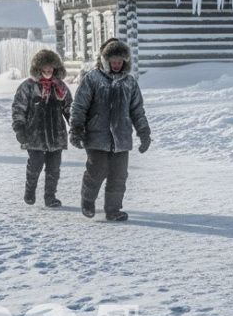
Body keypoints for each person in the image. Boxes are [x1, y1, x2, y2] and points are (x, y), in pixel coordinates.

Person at [70, 39, 150, 221]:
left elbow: (137, 110)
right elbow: (79, 106)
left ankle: (113, 210)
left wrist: (144, 133)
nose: (116, 64)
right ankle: (87, 201)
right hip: (96, 136)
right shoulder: (92, 79)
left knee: (119, 175)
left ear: (125, 62)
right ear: (105, 61)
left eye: (120, 61)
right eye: (113, 61)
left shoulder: (129, 82)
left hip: (121, 138)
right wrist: (76, 129)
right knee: (97, 171)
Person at [12, 49, 73, 208]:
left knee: (54, 168)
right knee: (36, 164)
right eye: (44, 68)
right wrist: (19, 128)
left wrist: (76, 125)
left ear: (55, 68)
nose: (48, 71)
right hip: (34, 134)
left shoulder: (60, 87)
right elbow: (19, 108)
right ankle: (30, 191)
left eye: (50, 68)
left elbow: (70, 108)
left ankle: (50, 197)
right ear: (38, 69)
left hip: (56, 134)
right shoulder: (28, 86)